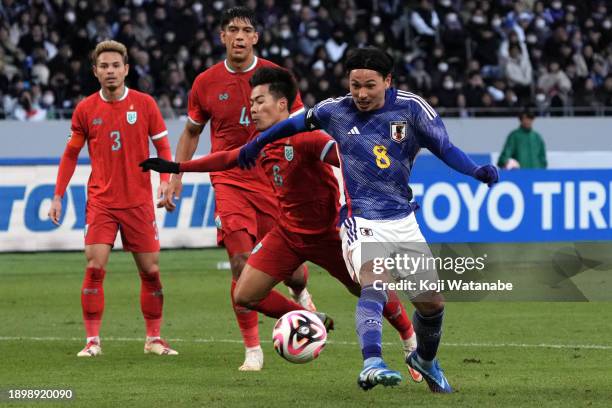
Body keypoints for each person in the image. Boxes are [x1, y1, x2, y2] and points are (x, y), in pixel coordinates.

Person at [237, 47, 499, 392]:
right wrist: (257, 143)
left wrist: (475, 170)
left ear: (388, 81)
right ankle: (372, 361)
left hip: (402, 219)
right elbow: (294, 123)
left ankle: (425, 360)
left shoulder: (412, 109)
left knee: (432, 305)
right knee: (373, 281)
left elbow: (445, 148)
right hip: (359, 218)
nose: (360, 93)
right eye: (354, 84)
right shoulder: (335, 111)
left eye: (369, 85)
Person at [141, 67, 423, 382]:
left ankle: (410, 340)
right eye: (251, 102)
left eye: (260, 101)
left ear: (282, 105)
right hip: (287, 234)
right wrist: (177, 166)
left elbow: (345, 157)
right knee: (244, 294)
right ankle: (306, 317)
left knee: (370, 289)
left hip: (329, 236)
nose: (253, 108)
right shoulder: (262, 141)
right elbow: (227, 158)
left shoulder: (307, 137)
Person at [158, 7, 313, 371]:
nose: (239, 36)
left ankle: (300, 292)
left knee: (292, 270)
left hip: (276, 181)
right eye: (232, 30)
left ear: (256, 37)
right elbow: (193, 132)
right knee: (240, 265)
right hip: (230, 182)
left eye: (246, 30)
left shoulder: (278, 78)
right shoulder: (205, 82)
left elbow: (301, 125)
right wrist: (176, 176)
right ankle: (252, 349)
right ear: (222, 37)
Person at [47, 40, 177, 357]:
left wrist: (165, 180)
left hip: (138, 202)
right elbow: (70, 155)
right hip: (102, 202)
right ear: (95, 71)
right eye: (104, 66)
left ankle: (153, 339)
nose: (110, 71)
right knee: (94, 267)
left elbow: (162, 149)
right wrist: (58, 195)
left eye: (116, 65)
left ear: (126, 69)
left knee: (151, 272)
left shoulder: (145, 105)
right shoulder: (85, 109)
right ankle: (92, 341)